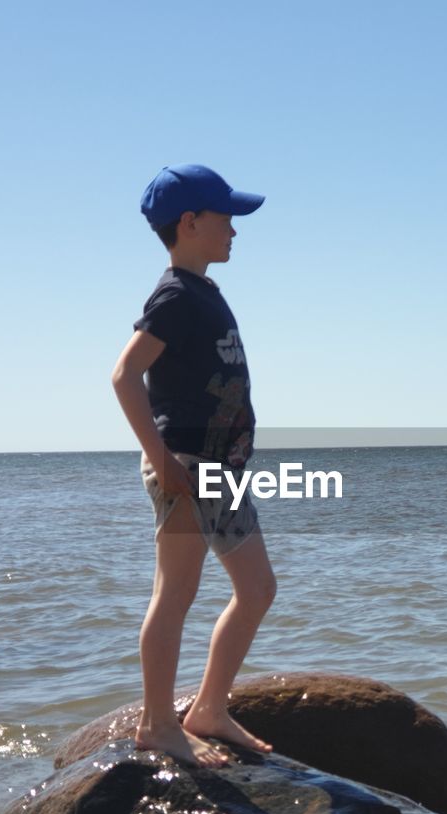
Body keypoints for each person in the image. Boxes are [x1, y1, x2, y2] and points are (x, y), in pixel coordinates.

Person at [110, 164, 276, 768]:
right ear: (191, 222)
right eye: (226, 217)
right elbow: (125, 376)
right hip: (188, 465)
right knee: (176, 592)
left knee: (257, 590)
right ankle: (158, 725)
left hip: (220, 469)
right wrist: (161, 460)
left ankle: (208, 708)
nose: (234, 229)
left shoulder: (203, 291)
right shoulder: (176, 295)